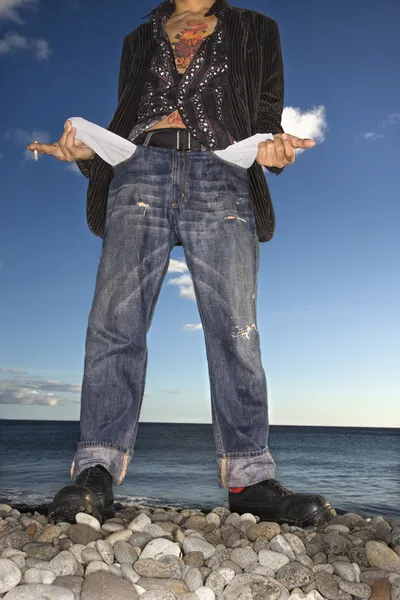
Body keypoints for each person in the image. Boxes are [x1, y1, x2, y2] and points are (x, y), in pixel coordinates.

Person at [28, 0, 335, 527]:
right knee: (113, 324)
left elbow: (265, 110)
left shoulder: (258, 28)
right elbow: (126, 114)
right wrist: (89, 152)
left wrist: (271, 147)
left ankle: (249, 477)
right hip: (139, 169)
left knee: (235, 327)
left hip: (222, 171)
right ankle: (95, 471)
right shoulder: (137, 36)